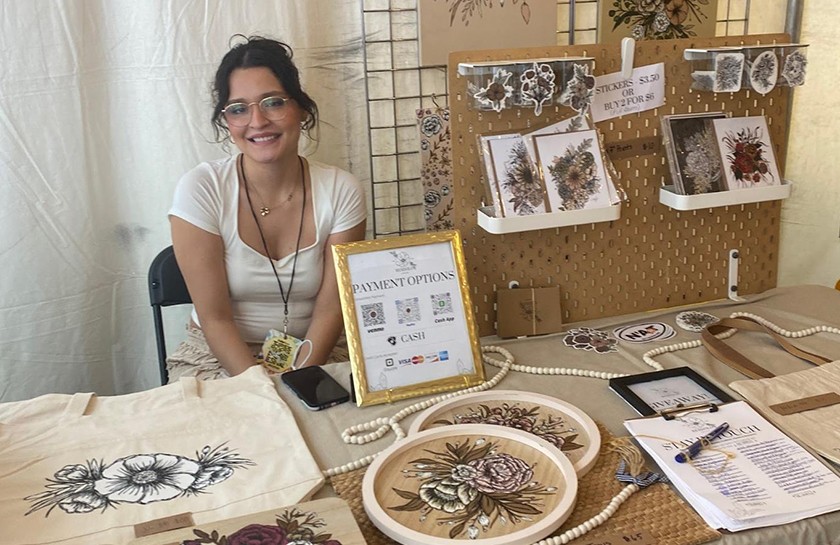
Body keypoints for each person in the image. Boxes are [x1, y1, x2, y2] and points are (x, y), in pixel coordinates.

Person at [166, 36, 366, 382]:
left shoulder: (341, 190)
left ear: (301, 109)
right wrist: (260, 390)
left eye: (273, 103)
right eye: (239, 109)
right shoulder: (201, 188)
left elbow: (331, 310)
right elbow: (215, 319)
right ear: (225, 121)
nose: (257, 122)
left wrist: (297, 380)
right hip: (218, 355)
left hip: (318, 349)